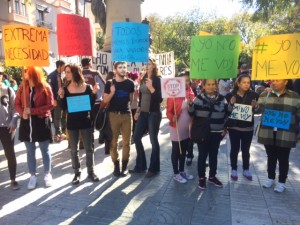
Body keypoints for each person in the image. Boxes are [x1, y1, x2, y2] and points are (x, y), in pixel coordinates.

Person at [256, 79, 300, 193]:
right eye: (273, 80)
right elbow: (257, 110)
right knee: (271, 156)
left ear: (285, 82)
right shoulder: (265, 94)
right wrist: (255, 104)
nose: (274, 82)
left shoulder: (294, 96)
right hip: (268, 131)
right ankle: (270, 178)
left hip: (286, 133)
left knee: (283, 158)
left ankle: (282, 182)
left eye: (277, 80)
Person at [58, 64, 99, 184]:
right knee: (74, 150)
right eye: (65, 72)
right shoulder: (65, 89)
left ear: (76, 72)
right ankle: (77, 172)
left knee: (89, 149)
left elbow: (91, 106)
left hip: (85, 121)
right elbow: (63, 107)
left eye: (69, 72)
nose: (66, 74)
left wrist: (94, 93)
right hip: (72, 123)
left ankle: (91, 172)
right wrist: (61, 97)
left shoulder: (87, 87)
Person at [14, 67, 54, 190]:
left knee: (44, 150)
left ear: (34, 74)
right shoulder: (22, 88)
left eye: (27, 71)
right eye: (24, 71)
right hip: (27, 124)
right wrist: (22, 113)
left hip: (41, 122)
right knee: (30, 151)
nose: (24, 73)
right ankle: (32, 175)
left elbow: (51, 105)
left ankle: (47, 174)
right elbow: (16, 103)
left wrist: (32, 111)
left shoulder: (45, 87)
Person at [189, 79, 229, 190]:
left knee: (213, 155)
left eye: (213, 84)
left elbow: (227, 113)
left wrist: (225, 127)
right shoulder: (198, 99)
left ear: (216, 86)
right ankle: (201, 178)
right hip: (203, 133)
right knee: (202, 155)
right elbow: (192, 114)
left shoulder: (222, 99)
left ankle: (212, 176)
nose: (211, 87)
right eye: (208, 84)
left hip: (217, 133)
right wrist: (190, 105)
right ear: (204, 86)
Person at [129, 58, 163, 178]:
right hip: (143, 113)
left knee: (153, 140)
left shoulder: (158, 80)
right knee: (136, 137)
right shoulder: (143, 79)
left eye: (149, 64)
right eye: (145, 64)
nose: (146, 66)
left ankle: (153, 168)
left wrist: (152, 88)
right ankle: (141, 165)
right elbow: (142, 97)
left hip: (153, 113)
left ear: (154, 65)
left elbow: (160, 99)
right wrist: (138, 111)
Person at [103, 62, 134, 177]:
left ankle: (124, 167)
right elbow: (105, 100)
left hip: (126, 115)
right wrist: (112, 93)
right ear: (115, 69)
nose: (123, 69)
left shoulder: (130, 83)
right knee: (113, 142)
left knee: (127, 142)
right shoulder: (109, 83)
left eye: (124, 67)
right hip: (113, 115)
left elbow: (131, 99)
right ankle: (116, 165)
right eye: (120, 67)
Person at [225, 74, 259, 181]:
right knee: (234, 149)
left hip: (248, 128)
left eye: (248, 82)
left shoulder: (254, 95)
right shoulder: (230, 95)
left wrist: (256, 107)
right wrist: (231, 103)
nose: (246, 85)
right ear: (238, 83)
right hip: (234, 127)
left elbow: (257, 112)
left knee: (246, 150)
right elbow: (227, 111)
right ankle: (234, 169)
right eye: (243, 82)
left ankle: (246, 169)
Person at [166, 72, 195, 183]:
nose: (186, 83)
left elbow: (193, 110)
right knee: (176, 150)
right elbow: (168, 112)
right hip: (176, 126)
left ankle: (182, 171)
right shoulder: (172, 95)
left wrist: (192, 104)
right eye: (183, 81)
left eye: (187, 80)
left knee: (183, 150)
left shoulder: (190, 93)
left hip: (187, 127)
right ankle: (176, 173)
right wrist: (172, 117)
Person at [0, 73, 19, 189]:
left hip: (7, 127)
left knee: (10, 153)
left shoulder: (8, 90)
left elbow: (15, 108)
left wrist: (14, 121)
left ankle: (13, 179)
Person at [81, 57, 106, 125]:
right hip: (95, 101)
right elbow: (103, 85)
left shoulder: (78, 73)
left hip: (82, 101)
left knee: (86, 123)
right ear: (89, 63)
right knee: (97, 121)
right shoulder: (95, 73)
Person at [48, 60, 67, 142]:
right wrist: (53, 99)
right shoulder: (52, 76)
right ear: (60, 66)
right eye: (64, 66)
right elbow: (49, 89)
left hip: (64, 99)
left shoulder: (64, 75)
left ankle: (64, 132)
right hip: (57, 99)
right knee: (57, 117)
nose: (65, 67)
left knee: (64, 116)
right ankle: (57, 134)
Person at [127, 71, 140, 140]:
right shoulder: (136, 84)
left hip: (131, 104)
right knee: (134, 122)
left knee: (130, 121)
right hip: (135, 103)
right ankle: (133, 135)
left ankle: (132, 136)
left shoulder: (130, 83)